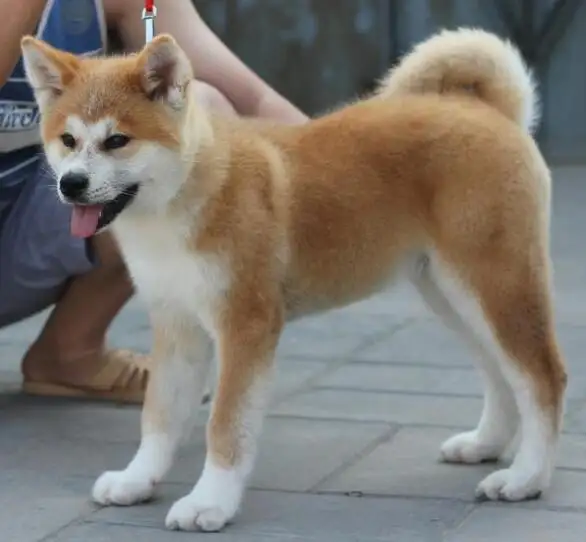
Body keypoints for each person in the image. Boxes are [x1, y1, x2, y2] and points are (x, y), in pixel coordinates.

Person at [0, 0, 307, 403]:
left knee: (199, 115)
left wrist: (368, 190)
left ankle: (70, 351)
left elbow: (256, 102)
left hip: (22, 247)